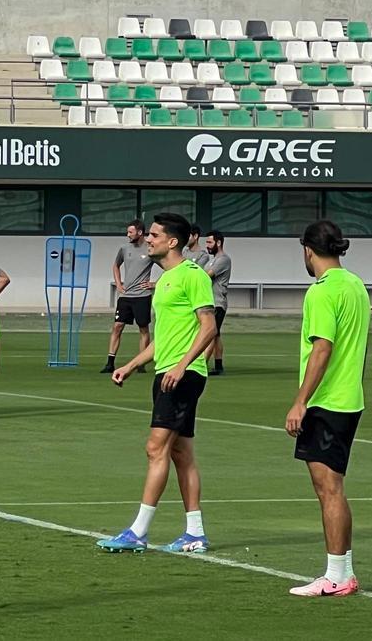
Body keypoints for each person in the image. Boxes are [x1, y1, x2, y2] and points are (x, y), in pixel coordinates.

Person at [98, 213, 217, 554]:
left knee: (155, 447)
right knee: (181, 452)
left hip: (182, 376)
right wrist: (132, 364)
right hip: (168, 372)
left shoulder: (192, 275)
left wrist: (182, 366)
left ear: (172, 241)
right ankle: (195, 532)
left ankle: (138, 531)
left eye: (153, 235)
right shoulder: (164, 280)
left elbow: (208, 327)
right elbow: (162, 338)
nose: (147, 240)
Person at [284, 220, 369, 597]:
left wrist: (300, 401)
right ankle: (342, 572)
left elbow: (323, 347)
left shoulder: (321, 292)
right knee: (333, 488)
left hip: (326, 401)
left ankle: (336, 575)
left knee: (328, 489)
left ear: (308, 250)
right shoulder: (356, 285)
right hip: (349, 399)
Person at [101, 219, 156, 374]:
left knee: (143, 329)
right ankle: (110, 362)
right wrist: (119, 284)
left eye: (130, 232)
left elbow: (169, 266)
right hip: (126, 296)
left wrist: (155, 284)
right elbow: (116, 265)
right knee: (117, 326)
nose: (128, 235)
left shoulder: (151, 249)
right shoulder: (124, 248)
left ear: (139, 232)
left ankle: (141, 364)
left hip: (142, 296)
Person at [204, 231, 232, 376]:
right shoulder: (212, 260)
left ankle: (201, 366)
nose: (207, 245)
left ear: (218, 243)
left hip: (217, 303)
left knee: (209, 334)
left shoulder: (223, 260)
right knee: (216, 335)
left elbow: (206, 276)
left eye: (209, 242)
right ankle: (219, 366)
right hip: (211, 302)